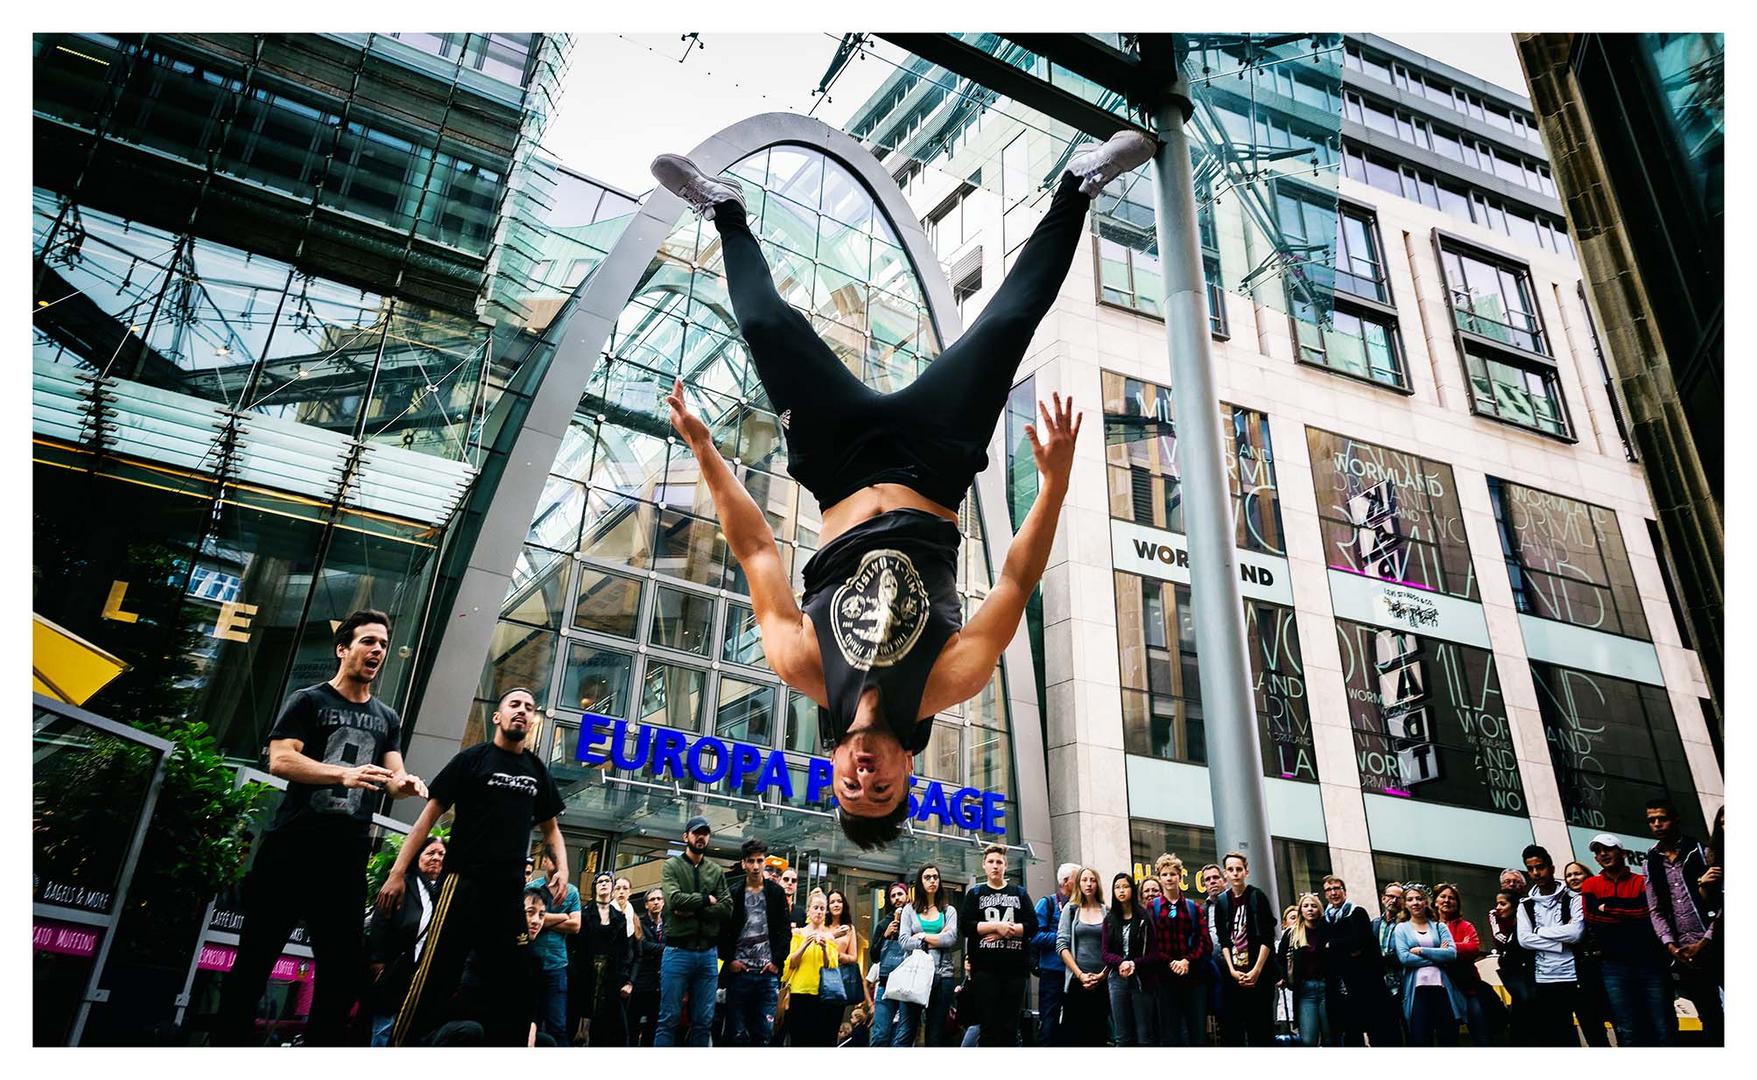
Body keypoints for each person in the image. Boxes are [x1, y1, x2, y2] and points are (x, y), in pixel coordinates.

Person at [650, 131, 1159, 851]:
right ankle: (1078, 186)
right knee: (1009, 323)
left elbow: (756, 547)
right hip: (933, 463)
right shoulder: (947, 682)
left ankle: (725, 212)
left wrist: (705, 451)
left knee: (766, 324)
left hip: (837, 465)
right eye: (879, 787)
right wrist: (1053, 483)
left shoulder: (801, 665)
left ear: (829, 769)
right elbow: (1016, 579)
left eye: (850, 787)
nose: (864, 775)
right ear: (907, 776)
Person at [213, 610, 428, 1046]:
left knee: (340, 974)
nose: (377, 651)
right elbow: (281, 759)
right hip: (291, 848)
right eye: (368, 641)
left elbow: (393, 777)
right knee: (254, 960)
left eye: (383, 645)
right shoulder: (308, 701)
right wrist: (341, 774)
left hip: (345, 857)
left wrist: (405, 784)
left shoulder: (387, 717)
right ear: (343, 648)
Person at [380, 686, 567, 1046]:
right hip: (463, 886)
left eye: (529, 707)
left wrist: (563, 868)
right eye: (514, 704)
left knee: (517, 981)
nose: (522, 711)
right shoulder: (472, 760)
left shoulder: (535, 770)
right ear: (497, 716)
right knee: (435, 975)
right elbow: (425, 820)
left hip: (508, 894)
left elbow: (551, 830)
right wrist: (397, 872)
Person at [1579, 833, 1674, 1045]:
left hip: (1650, 963)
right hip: (1614, 965)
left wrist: (1609, 908)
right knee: (1627, 1028)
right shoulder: (1590, 885)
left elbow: (1645, 913)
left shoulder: (1642, 881)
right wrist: (1626, 910)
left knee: (1663, 1026)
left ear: (1622, 853)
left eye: (1608, 849)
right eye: (1597, 851)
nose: (1603, 854)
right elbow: (1592, 916)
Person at [1644, 797, 1722, 1045]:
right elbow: (1655, 910)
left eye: (1662, 819)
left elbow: (1723, 902)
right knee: (1710, 1015)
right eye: (1651, 820)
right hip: (1684, 954)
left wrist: (1706, 940)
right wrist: (1671, 946)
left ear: (1675, 819)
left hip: (1717, 943)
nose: (1657, 824)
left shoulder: (1701, 851)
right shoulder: (1651, 860)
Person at [656, 815, 730, 1046]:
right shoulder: (672, 866)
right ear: (685, 836)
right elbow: (674, 900)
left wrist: (696, 908)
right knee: (668, 1018)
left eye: (705, 833)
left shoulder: (715, 870)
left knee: (704, 1020)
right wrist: (707, 900)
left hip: (708, 954)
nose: (701, 837)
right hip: (678, 951)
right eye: (697, 832)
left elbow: (727, 908)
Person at [365, 837, 445, 1046]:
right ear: (418, 856)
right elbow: (380, 920)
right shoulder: (402, 884)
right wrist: (378, 961)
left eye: (441, 854)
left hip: (424, 975)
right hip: (395, 970)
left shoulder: (445, 893)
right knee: (384, 1029)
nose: (436, 858)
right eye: (430, 853)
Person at [959, 843, 1038, 1046]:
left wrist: (1006, 931)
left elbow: (1032, 926)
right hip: (984, 970)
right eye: (991, 862)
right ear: (983, 865)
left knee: (1009, 1027)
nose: (995, 866)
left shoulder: (1019, 893)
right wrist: (995, 925)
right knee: (988, 1027)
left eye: (999, 862)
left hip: (1015, 970)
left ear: (1006, 866)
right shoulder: (975, 894)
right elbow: (966, 926)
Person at [720, 838, 792, 1046]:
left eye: (759, 861)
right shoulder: (733, 892)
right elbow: (722, 930)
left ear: (764, 863)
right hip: (739, 973)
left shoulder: (776, 893)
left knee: (763, 1035)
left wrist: (777, 962)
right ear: (743, 863)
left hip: (766, 974)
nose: (755, 866)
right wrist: (730, 959)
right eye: (751, 861)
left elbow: (784, 932)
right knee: (737, 1034)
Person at [1515, 844, 1586, 1046]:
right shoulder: (1525, 904)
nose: (1536, 873)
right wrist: (1559, 942)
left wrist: (1539, 932)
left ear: (1552, 868)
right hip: (1543, 979)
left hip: (1576, 976)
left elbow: (1576, 933)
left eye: (1541, 867)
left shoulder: (1573, 898)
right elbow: (1524, 940)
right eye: (1531, 869)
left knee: (1593, 1031)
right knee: (1558, 1037)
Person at [1213, 851, 1277, 1046]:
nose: (1235, 873)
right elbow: (1224, 940)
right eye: (1231, 870)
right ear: (1226, 874)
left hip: (1260, 975)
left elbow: (1268, 936)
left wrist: (1256, 970)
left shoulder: (1257, 896)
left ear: (1246, 872)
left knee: (1261, 1029)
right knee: (1234, 1031)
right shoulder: (1222, 902)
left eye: (1239, 869)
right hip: (1234, 977)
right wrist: (1232, 970)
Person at [1317, 874, 1390, 1047]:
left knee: (1375, 1029)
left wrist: (1333, 945)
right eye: (1329, 890)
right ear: (1325, 894)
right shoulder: (1324, 920)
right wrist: (1343, 948)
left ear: (1344, 891)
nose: (1333, 893)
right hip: (1340, 985)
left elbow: (1360, 942)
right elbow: (1323, 948)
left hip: (1364, 981)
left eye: (1337, 888)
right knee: (1350, 1031)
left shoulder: (1357, 912)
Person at [1148, 857, 1210, 1047]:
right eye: (1165, 874)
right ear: (1159, 878)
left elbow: (1204, 941)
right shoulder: (1153, 907)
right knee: (1169, 1033)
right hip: (1165, 979)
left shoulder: (1193, 907)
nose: (1169, 878)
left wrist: (1186, 961)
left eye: (1173, 874)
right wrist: (1171, 962)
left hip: (1193, 978)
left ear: (1180, 876)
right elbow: (1151, 941)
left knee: (1197, 1033)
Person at [1392, 883, 1464, 1045]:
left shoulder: (1440, 926)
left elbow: (1451, 954)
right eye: (1410, 899)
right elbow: (1404, 958)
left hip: (1442, 989)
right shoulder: (1401, 929)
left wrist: (1422, 950)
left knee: (1449, 1038)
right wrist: (1438, 953)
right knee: (1421, 1038)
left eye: (1419, 899)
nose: (1415, 903)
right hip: (1417, 991)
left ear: (1426, 902)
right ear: (1405, 904)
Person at [898, 862, 960, 1046]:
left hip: (943, 976)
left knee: (936, 1033)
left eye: (935, 877)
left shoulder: (949, 910)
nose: (932, 880)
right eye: (927, 877)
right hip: (914, 975)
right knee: (906, 1031)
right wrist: (936, 938)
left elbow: (950, 939)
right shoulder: (909, 910)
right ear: (920, 882)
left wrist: (923, 935)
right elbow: (903, 941)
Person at [1432, 882, 1497, 1046]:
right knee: (1448, 1038)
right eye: (1443, 896)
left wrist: (1444, 948)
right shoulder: (1429, 927)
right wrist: (1458, 946)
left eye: (1452, 898)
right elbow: (1428, 951)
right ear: (1435, 902)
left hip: (1468, 988)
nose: (1447, 900)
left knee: (1481, 1034)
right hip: (1443, 990)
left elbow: (1473, 948)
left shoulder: (1465, 925)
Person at [526, 850, 580, 1044]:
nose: (557, 865)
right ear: (545, 861)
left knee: (558, 1025)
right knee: (530, 1021)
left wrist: (543, 920)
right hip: (532, 961)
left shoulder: (571, 891)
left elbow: (576, 926)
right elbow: (526, 918)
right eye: (553, 860)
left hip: (557, 964)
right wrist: (563, 916)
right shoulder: (533, 888)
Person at [572, 871, 631, 1045]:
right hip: (585, 972)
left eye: (607, 881)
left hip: (610, 975)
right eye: (600, 882)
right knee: (581, 1015)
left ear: (612, 888)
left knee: (607, 1020)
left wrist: (625, 979)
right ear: (595, 887)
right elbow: (575, 945)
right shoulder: (584, 914)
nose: (604, 884)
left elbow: (624, 951)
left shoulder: (619, 917)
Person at [1055, 866, 1110, 1046]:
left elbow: (1115, 948)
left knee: (1099, 1034)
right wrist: (1080, 974)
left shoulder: (1107, 912)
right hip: (1077, 981)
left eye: (1092, 880)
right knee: (1074, 1035)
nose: (1088, 884)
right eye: (1084, 880)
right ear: (1079, 883)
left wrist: (1102, 975)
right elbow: (1061, 944)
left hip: (1102, 982)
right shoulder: (1071, 910)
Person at [1101, 872, 1158, 1046]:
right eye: (1117, 887)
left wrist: (1133, 963)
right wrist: (1121, 962)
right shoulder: (1109, 919)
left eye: (1125, 886)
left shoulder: (1143, 918)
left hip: (1140, 979)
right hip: (1117, 980)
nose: (1121, 891)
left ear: (1132, 890)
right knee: (1122, 1035)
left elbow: (1153, 953)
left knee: (1144, 1034)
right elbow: (1104, 953)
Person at [1560, 859, 1613, 1045]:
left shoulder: (1600, 896)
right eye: (1568, 875)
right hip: (1579, 971)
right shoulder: (1563, 905)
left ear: (1587, 875)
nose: (1573, 878)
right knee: (1592, 1027)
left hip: (1606, 966)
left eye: (1577, 873)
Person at [783, 891, 841, 1046]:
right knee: (799, 1039)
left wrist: (823, 949)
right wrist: (804, 945)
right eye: (816, 908)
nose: (819, 912)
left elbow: (831, 967)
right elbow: (791, 963)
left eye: (822, 908)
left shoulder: (829, 937)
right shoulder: (798, 933)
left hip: (822, 994)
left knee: (820, 1039)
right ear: (808, 910)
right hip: (800, 992)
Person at [1031, 862, 1077, 1045]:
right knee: (1049, 1021)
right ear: (1066, 881)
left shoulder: (1083, 906)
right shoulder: (1048, 903)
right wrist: (1063, 938)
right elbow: (1034, 935)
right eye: (1078, 877)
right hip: (1053, 972)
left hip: (1076, 973)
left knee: (1073, 1023)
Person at [1276, 892, 1330, 1046]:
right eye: (1306, 906)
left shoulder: (1326, 930)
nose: (1310, 909)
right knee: (1308, 1040)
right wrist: (1282, 977)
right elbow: (1279, 958)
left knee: (1330, 1037)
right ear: (1301, 911)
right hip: (1305, 990)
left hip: (1327, 988)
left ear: (1319, 909)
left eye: (1313, 906)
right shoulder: (1292, 934)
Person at [1487, 886, 1537, 1046]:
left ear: (1515, 906)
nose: (1497, 908)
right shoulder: (1509, 930)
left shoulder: (1522, 933)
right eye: (1497, 904)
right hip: (1519, 994)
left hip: (1529, 993)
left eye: (1502, 904)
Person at [866, 881, 915, 1046]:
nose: (897, 898)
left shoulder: (914, 920)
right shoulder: (883, 924)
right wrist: (886, 935)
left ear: (907, 896)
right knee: (880, 1034)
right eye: (893, 896)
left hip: (909, 984)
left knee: (903, 1036)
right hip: (886, 984)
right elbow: (874, 956)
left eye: (900, 894)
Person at [1370, 880, 1407, 1044]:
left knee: (1406, 1033)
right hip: (1379, 986)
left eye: (1398, 898)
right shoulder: (1374, 924)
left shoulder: (1406, 924)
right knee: (1382, 1033)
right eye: (1390, 896)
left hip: (1401, 984)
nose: (1393, 900)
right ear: (1383, 898)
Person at [629, 888, 666, 1046]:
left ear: (663, 902)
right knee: (633, 1024)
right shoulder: (640, 923)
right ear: (646, 905)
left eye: (659, 899)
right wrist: (668, 949)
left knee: (653, 1025)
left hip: (662, 982)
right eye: (652, 900)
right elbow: (642, 946)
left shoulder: (669, 925)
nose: (656, 902)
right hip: (642, 981)